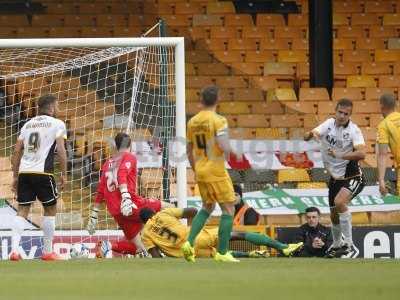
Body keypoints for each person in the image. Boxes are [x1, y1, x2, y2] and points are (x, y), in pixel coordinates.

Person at [87, 132, 173, 258]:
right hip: (130, 204)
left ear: (116, 147)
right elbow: (122, 174)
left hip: (116, 211)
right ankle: (181, 236)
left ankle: (109, 246)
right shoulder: (129, 157)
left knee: (142, 248)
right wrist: (126, 196)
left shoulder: (107, 163)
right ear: (131, 145)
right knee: (167, 206)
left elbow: (100, 190)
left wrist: (94, 214)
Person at [182, 85, 240, 262]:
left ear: (201, 101)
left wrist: (195, 169)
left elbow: (188, 149)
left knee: (208, 207)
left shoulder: (192, 122)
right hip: (215, 170)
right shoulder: (219, 120)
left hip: (200, 169)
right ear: (217, 100)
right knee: (229, 208)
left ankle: (189, 243)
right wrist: (235, 152)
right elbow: (223, 145)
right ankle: (222, 253)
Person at [304, 98, 366, 258]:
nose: (342, 116)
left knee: (340, 203)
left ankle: (349, 245)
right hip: (334, 178)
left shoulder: (354, 130)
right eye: (340, 112)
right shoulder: (329, 123)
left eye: (346, 114)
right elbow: (313, 134)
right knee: (333, 214)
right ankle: (337, 244)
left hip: (352, 176)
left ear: (350, 115)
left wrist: (340, 154)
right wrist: (311, 135)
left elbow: (362, 153)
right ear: (335, 111)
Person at [10, 94, 67, 261]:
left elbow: (17, 150)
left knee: (22, 210)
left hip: (25, 173)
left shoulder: (27, 124)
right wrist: (64, 174)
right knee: (50, 209)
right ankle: (48, 251)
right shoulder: (57, 124)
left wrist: (15, 176)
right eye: (57, 105)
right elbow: (61, 151)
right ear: (51, 107)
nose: (58, 109)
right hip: (43, 173)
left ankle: (14, 251)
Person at [139, 207, 303, 259]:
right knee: (235, 234)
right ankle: (283, 247)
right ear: (153, 212)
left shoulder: (145, 234)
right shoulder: (163, 213)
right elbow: (192, 210)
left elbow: (156, 256)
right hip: (196, 237)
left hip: (188, 254)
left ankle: (251, 255)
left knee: (217, 254)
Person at [376, 94, 400, 196]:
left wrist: (381, 179)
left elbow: (382, 155)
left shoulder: (383, 125)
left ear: (381, 106)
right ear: (396, 105)